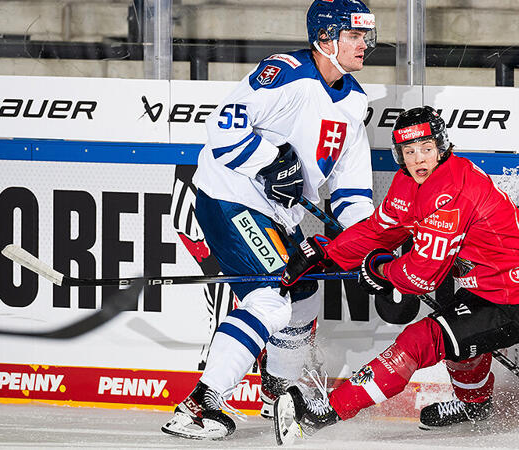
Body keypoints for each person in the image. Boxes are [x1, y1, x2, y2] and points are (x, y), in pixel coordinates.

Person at [273, 106, 519, 445]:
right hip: (488, 286)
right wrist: (327, 253)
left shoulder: (451, 191)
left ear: (441, 146)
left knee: (421, 340)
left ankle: (323, 414)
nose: (418, 158)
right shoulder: (408, 183)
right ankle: (475, 405)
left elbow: (421, 277)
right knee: (457, 337)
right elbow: (379, 231)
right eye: (409, 151)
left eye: (426, 148)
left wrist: (379, 270)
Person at [161, 0, 377, 439]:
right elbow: (223, 126)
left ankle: (277, 391)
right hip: (231, 197)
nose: (364, 45)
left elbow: (351, 193)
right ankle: (199, 407)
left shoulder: (355, 101)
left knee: (303, 299)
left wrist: (375, 248)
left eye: (365, 35)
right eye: (353, 35)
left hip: (280, 214)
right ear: (324, 39)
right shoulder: (286, 73)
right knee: (270, 298)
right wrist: (271, 160)